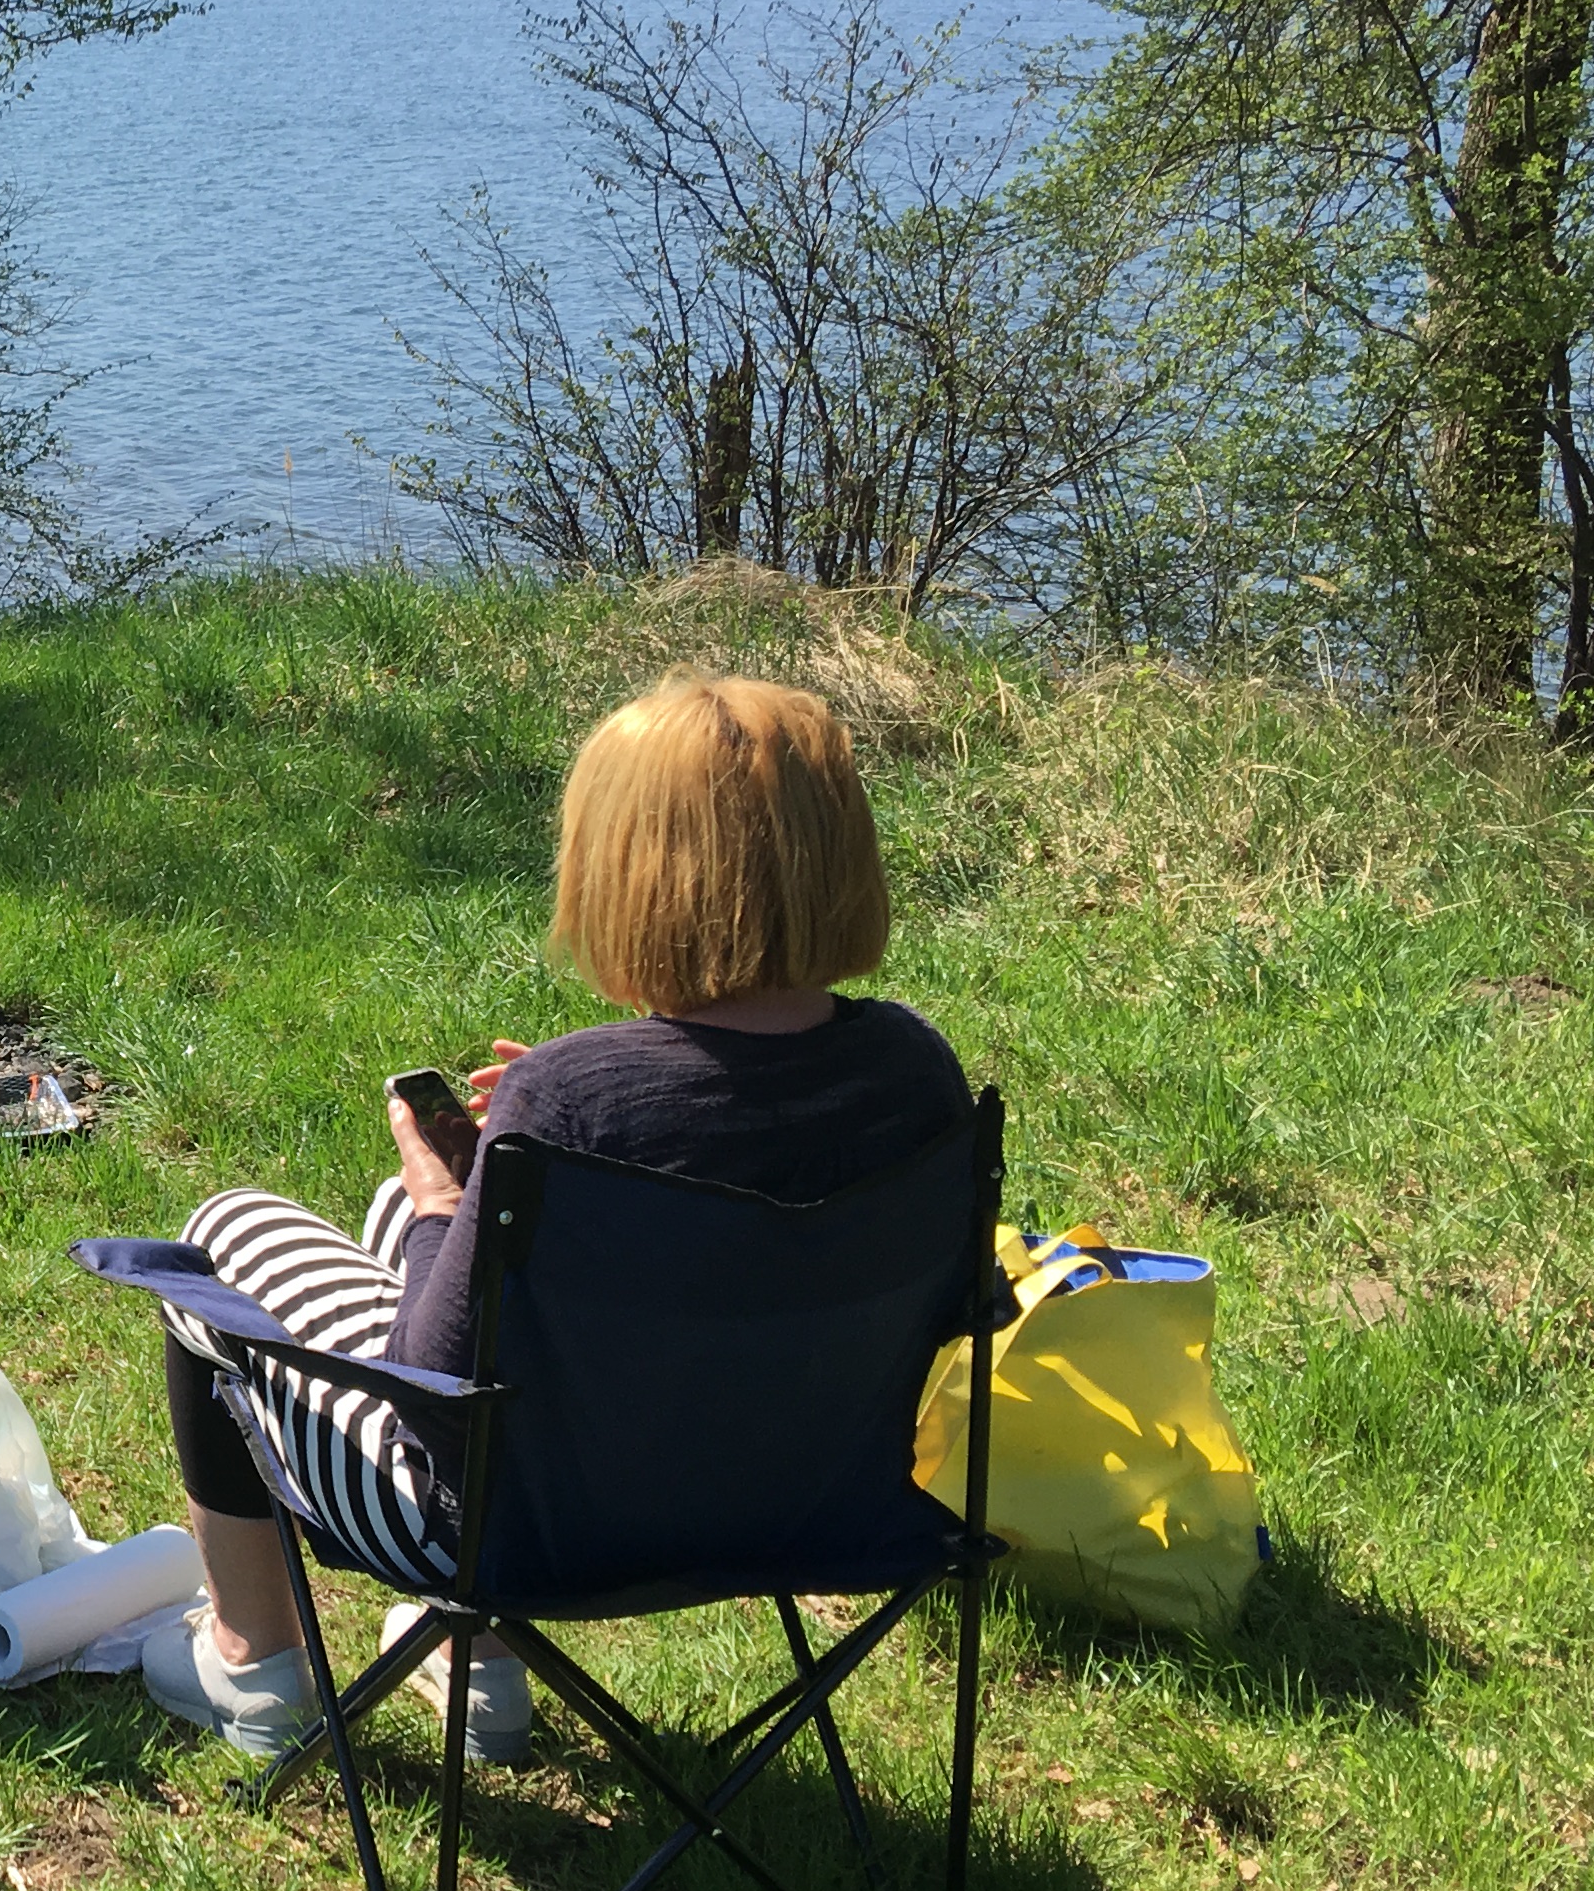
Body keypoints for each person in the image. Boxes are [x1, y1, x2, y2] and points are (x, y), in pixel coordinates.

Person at [141, 669, 973, 1760]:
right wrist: (527, 1169)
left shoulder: (575, 1100)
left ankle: (257, 1667)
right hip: (819, 1499)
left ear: (634, 872)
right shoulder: (915, 1073)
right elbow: (934, 1287)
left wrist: (451, 1195)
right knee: (426, 1216)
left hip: (520, 1532)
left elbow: (432, 1384)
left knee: (229, 1230)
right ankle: (470, 1668)